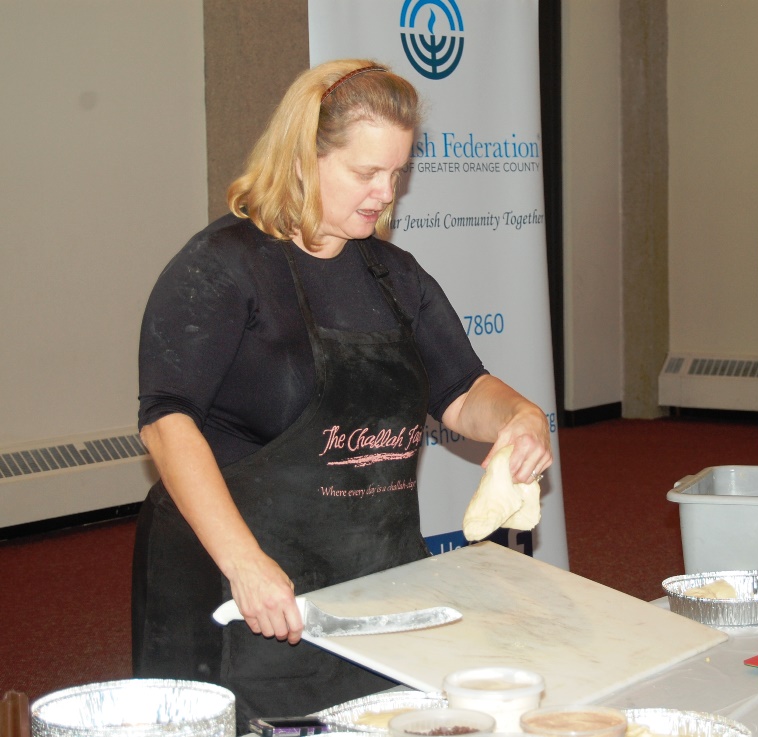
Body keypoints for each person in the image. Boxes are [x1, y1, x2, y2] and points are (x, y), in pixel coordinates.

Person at [131, 58, 552, 730]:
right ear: (304, 157)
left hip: (374, 588)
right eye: (366, 172)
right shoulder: (223, 266)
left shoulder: (395, 277)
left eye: (397, 173)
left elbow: (463, 390)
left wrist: (520, 417)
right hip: (240, 597)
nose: (386, 193)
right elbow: (166, 421)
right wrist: (246, 563)